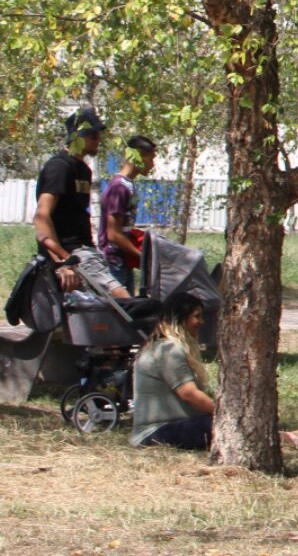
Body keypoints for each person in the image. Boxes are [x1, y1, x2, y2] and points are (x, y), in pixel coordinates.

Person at [34, 109, 129, 299]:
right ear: (78, 136)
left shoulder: (84, 170)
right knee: (124, 300)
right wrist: (63, 262)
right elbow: (41, 218)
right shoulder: (60, 167)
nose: (98, 140)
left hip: (86, 250)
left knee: (97, 317)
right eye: (93, 135)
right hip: (71, 252)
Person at [131, 290, 214, 449]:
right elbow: (189, 394)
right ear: (180, 319)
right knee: (219, 425)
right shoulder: (168, 350)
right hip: (155, 433)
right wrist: (227, 415)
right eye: (197, 316)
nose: (202, 321)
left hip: (164, 429)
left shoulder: (163, 346)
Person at [99, 134, 158, 295]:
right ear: (138, 156)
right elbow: (113, 234)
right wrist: (141, 255)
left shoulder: (128, 185)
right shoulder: (119, 187)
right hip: (114, 262)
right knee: (120, 314)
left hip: (123, 260)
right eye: (151, 159)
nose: (152, 165)